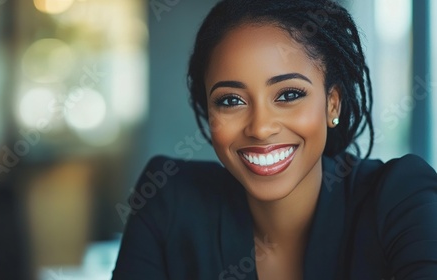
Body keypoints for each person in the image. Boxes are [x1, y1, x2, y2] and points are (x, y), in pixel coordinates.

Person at [112, 0, 437, 279]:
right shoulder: (168, 202)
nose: (261, 127)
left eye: (289, 94)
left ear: (332, 102)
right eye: (230, 100)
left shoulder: (401, 197)